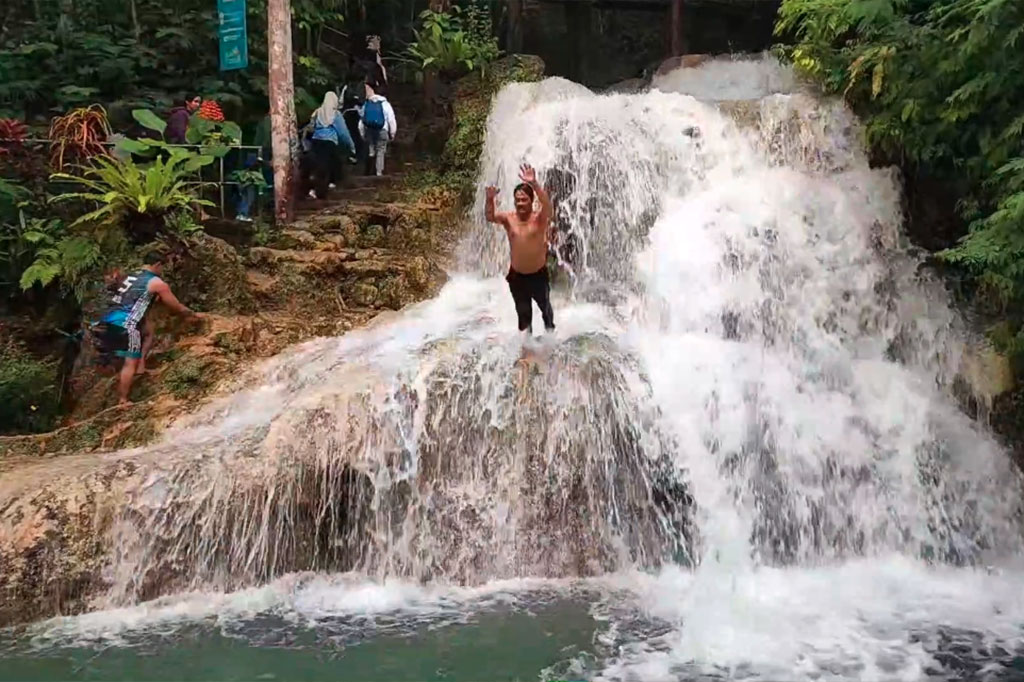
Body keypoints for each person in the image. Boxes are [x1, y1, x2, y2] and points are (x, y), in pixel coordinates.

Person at [91, 246, 201, 405]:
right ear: (157, 265)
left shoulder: (129, 276)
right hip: (126, 325)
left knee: (149, 331)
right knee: (129, 362)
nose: (163, 271)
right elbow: (175, 306)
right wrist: (193, 314)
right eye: (163, 267)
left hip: (104, 321)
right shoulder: (156, 283)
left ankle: (140, 365)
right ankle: (123, 400)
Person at [485, 163, 556, 335]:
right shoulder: (509, 219)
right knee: (523, 316)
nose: (520, 203)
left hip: (538, 275)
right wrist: (489, 199)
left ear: (532, 201)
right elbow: (490, 216)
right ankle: (528, 350)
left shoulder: (539, 219)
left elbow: (548, 207)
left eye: (524, 199)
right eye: (517, 200)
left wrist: (535, 184)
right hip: (518, 278)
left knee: (546, 309)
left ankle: (550, 338)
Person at [306, 91, 356, 200]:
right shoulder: (335, 115)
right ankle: (326, 190)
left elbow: (310, 127)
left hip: (316, 142)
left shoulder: (317, 112)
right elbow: (343, 133)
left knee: (318, 167)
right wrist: (351, 147)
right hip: (330, 143)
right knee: (330, 167)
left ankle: (314, 190)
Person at [359, 79, 397, 177]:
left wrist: (362, 133)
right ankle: (378, 172)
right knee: (380, 150)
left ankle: (369, 171)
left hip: (369, 130)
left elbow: (361, 121)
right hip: (382, 130)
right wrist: (392, 133)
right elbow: (391, 120)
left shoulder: (367, 104)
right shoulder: (385, 104)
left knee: (371, 149)